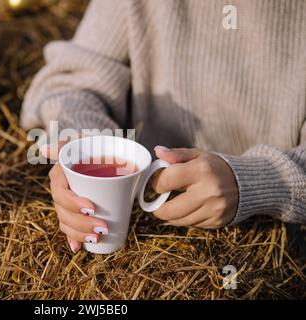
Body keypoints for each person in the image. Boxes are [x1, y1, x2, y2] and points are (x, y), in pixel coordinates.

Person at [20, 0, 306, 253]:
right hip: (146, 213)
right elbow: (69, 83)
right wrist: (87, 143)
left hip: (284, 242)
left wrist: (259, 181)